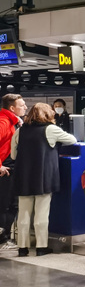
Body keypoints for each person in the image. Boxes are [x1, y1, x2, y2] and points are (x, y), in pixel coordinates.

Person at [10, 103, 76, 257]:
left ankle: (22, 247)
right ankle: (41, 246)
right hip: (43, 177)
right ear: (47, 114)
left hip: (23, 177)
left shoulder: (20, 131)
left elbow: (13, 155)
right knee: (41, 213)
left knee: (23, 214)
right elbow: (72, 140)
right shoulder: (51, 129)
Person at [0, 94, 26, 246]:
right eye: (22, 105)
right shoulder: (4, 122)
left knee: (13, 205)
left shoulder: (14, 122)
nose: (25, 108)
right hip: (5, 169)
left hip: (12, 168)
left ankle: (5, 238)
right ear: (12, 108)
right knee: (4, 205)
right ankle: (2, 239)